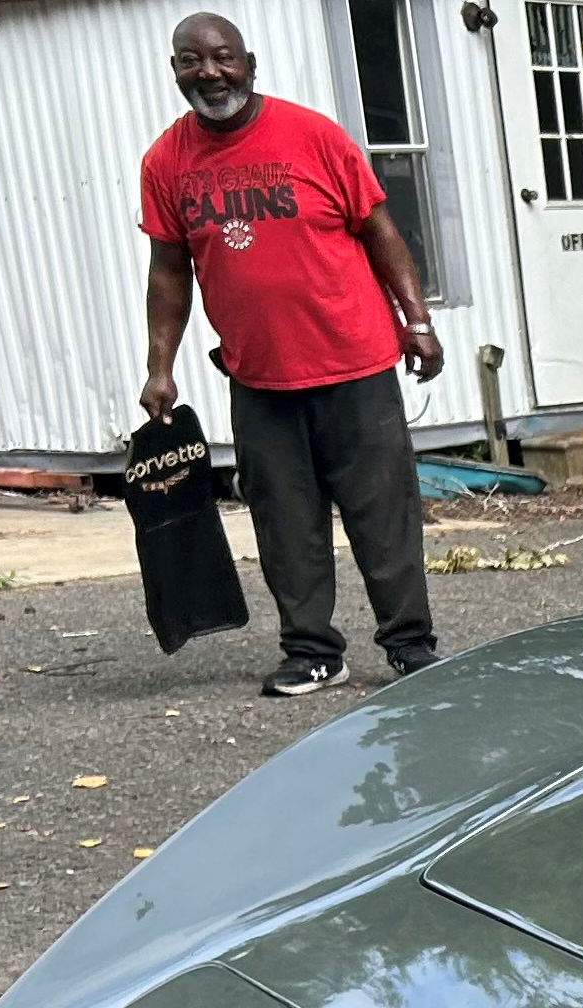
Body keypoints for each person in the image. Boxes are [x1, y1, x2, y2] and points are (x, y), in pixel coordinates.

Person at [137, 11, 440, 696]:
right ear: (176, 71)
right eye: (191, 61)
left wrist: (416, 321)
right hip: (258, 376)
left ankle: (409, 646)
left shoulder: (313, 136)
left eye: (221, 58)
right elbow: (167, 269)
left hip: (354, 361)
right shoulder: (166, 161)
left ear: (249, 63)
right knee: (285, 522)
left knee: (381, 514)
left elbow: (380, 230)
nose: (209, 72)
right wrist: (160, 366)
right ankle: (312, 653)